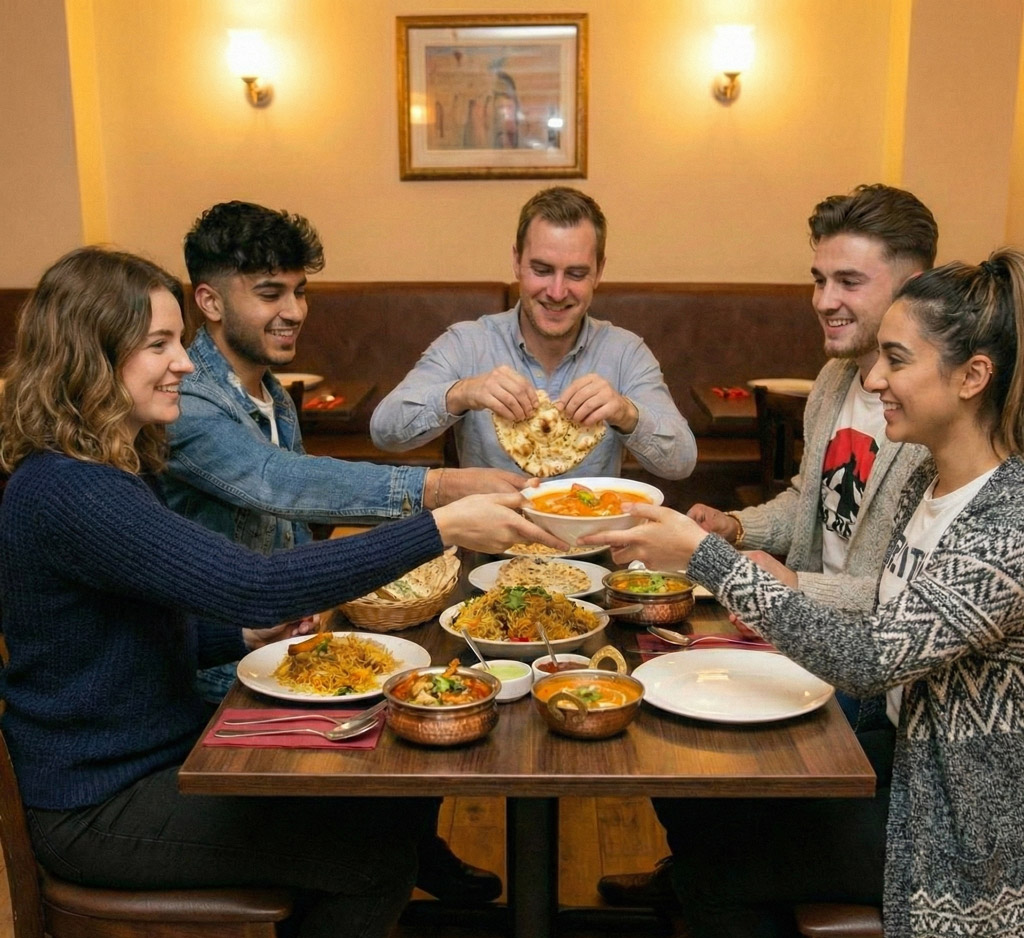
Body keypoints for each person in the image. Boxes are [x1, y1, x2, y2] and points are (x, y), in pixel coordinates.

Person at [0, 247, 563, 938]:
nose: (184, 363)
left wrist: (238, 636)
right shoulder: (72, 489)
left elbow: (123, 631)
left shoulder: (105, 469)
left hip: (158, 757)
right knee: (374, 857)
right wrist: (439, 525)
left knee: (385, 797)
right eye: (158, 345)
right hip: (98, 804)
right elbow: (255, 585)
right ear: (90, 357)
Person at [581, 248, 1024, 938]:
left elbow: (873, 656)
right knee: (696, 791)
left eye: (897, 360)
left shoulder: (1007, 524)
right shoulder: (927, 478)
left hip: (957, 822)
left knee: (711, 871)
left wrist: (708, 559)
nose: (874, 379)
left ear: (973, 376)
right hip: (897, 748)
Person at [162, 200, 518, 902]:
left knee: (432, 673)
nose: (294, 311)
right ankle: (384, 860)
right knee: (419, 707)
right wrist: (439, 487)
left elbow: (293, 524)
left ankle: (409, 846)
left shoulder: (269, 392)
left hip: (284, 647)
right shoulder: (190, 403)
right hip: (218, 678)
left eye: (300, 292)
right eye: (271, 293)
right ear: (209, 301)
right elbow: (279, 483)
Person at [599, 182, 939, 909]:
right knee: (653, 702)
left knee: (698, 751)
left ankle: (715, 881)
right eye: (819, 279)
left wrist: (785, 584)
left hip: (865, 671)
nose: (824, 300)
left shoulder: (931, 412)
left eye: (849, 282)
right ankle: (702, 870)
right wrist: (735, 528)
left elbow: (907, 605)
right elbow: (808, 503)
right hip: (799, 631)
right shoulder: (836, 380)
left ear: (913, 286)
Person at [370, 186, 697, 481]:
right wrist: (462, 393)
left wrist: (626, 413)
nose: (557, 291)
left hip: (589, 528)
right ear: (517, 262)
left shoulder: (626, 353)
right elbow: (384, 432)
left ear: (599, 272)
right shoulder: (467, 343)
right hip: (490, 529)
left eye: (576, 274)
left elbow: (682, 462)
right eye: (542, 270)